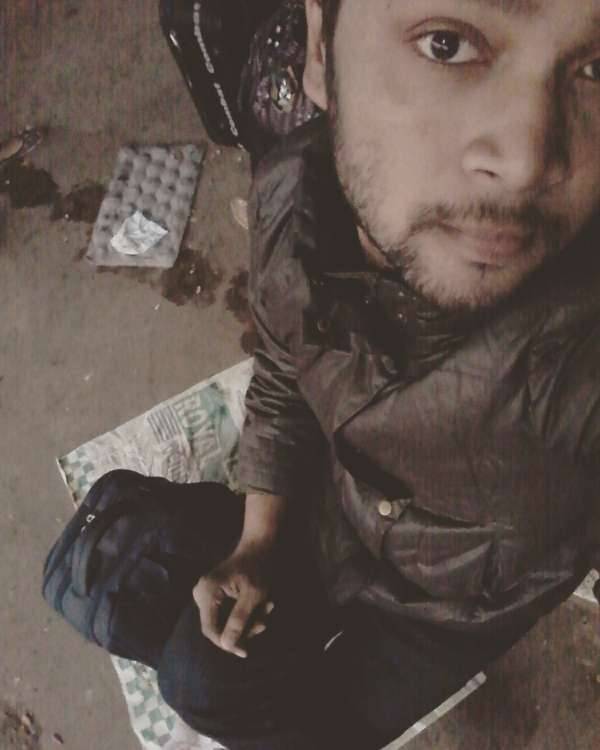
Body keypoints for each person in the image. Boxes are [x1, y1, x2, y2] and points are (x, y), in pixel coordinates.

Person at [157, 1, 600, 748]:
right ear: (321, 49)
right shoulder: (289, 196)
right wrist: (259, 536)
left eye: (596, 68)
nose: (528, 160)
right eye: (446, 44)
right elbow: (283, 365)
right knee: (196, 677)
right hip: (330, 517)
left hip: (458, 615)